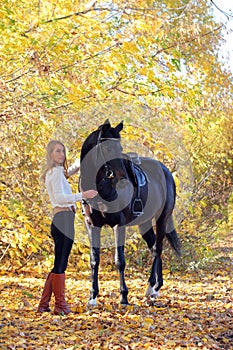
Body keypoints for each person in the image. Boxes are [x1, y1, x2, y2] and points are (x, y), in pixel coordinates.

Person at [37, 140, 97, 315]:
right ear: (50, 154)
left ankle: (44, 304)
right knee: (61, 264)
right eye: (57, 151)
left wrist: (82, 160)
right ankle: (60, 305)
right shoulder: (55, 173)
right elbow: (62, 198)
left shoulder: (55, 172)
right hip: (63, 220)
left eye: (63, 151)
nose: (61, 154)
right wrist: (83, 195)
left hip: (62, 220)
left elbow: (67, 174)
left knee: (59, 263)